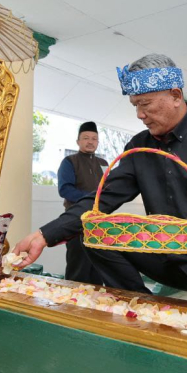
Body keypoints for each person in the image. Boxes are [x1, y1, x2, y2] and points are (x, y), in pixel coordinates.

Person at [15, 54, 187, 311]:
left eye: (145, 104)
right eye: (135, 106)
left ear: (176, 96)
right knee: (93, 233)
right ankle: (140, 309)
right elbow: (100, 200)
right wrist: (44, 234)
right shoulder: (139, 148)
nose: (139, 115)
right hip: (165, 254)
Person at [56, 121, 108, 285]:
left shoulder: (104, 164)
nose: (90, 141)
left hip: (100, 224)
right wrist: (93, 200)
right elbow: (65, 190)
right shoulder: (69, 161)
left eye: (94, 138)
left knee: (100, 268)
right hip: (76, 222)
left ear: (98, 143)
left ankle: (96, 306)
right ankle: (72, 306)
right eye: (86, 138)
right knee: (78, 267)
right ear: (78, 141)